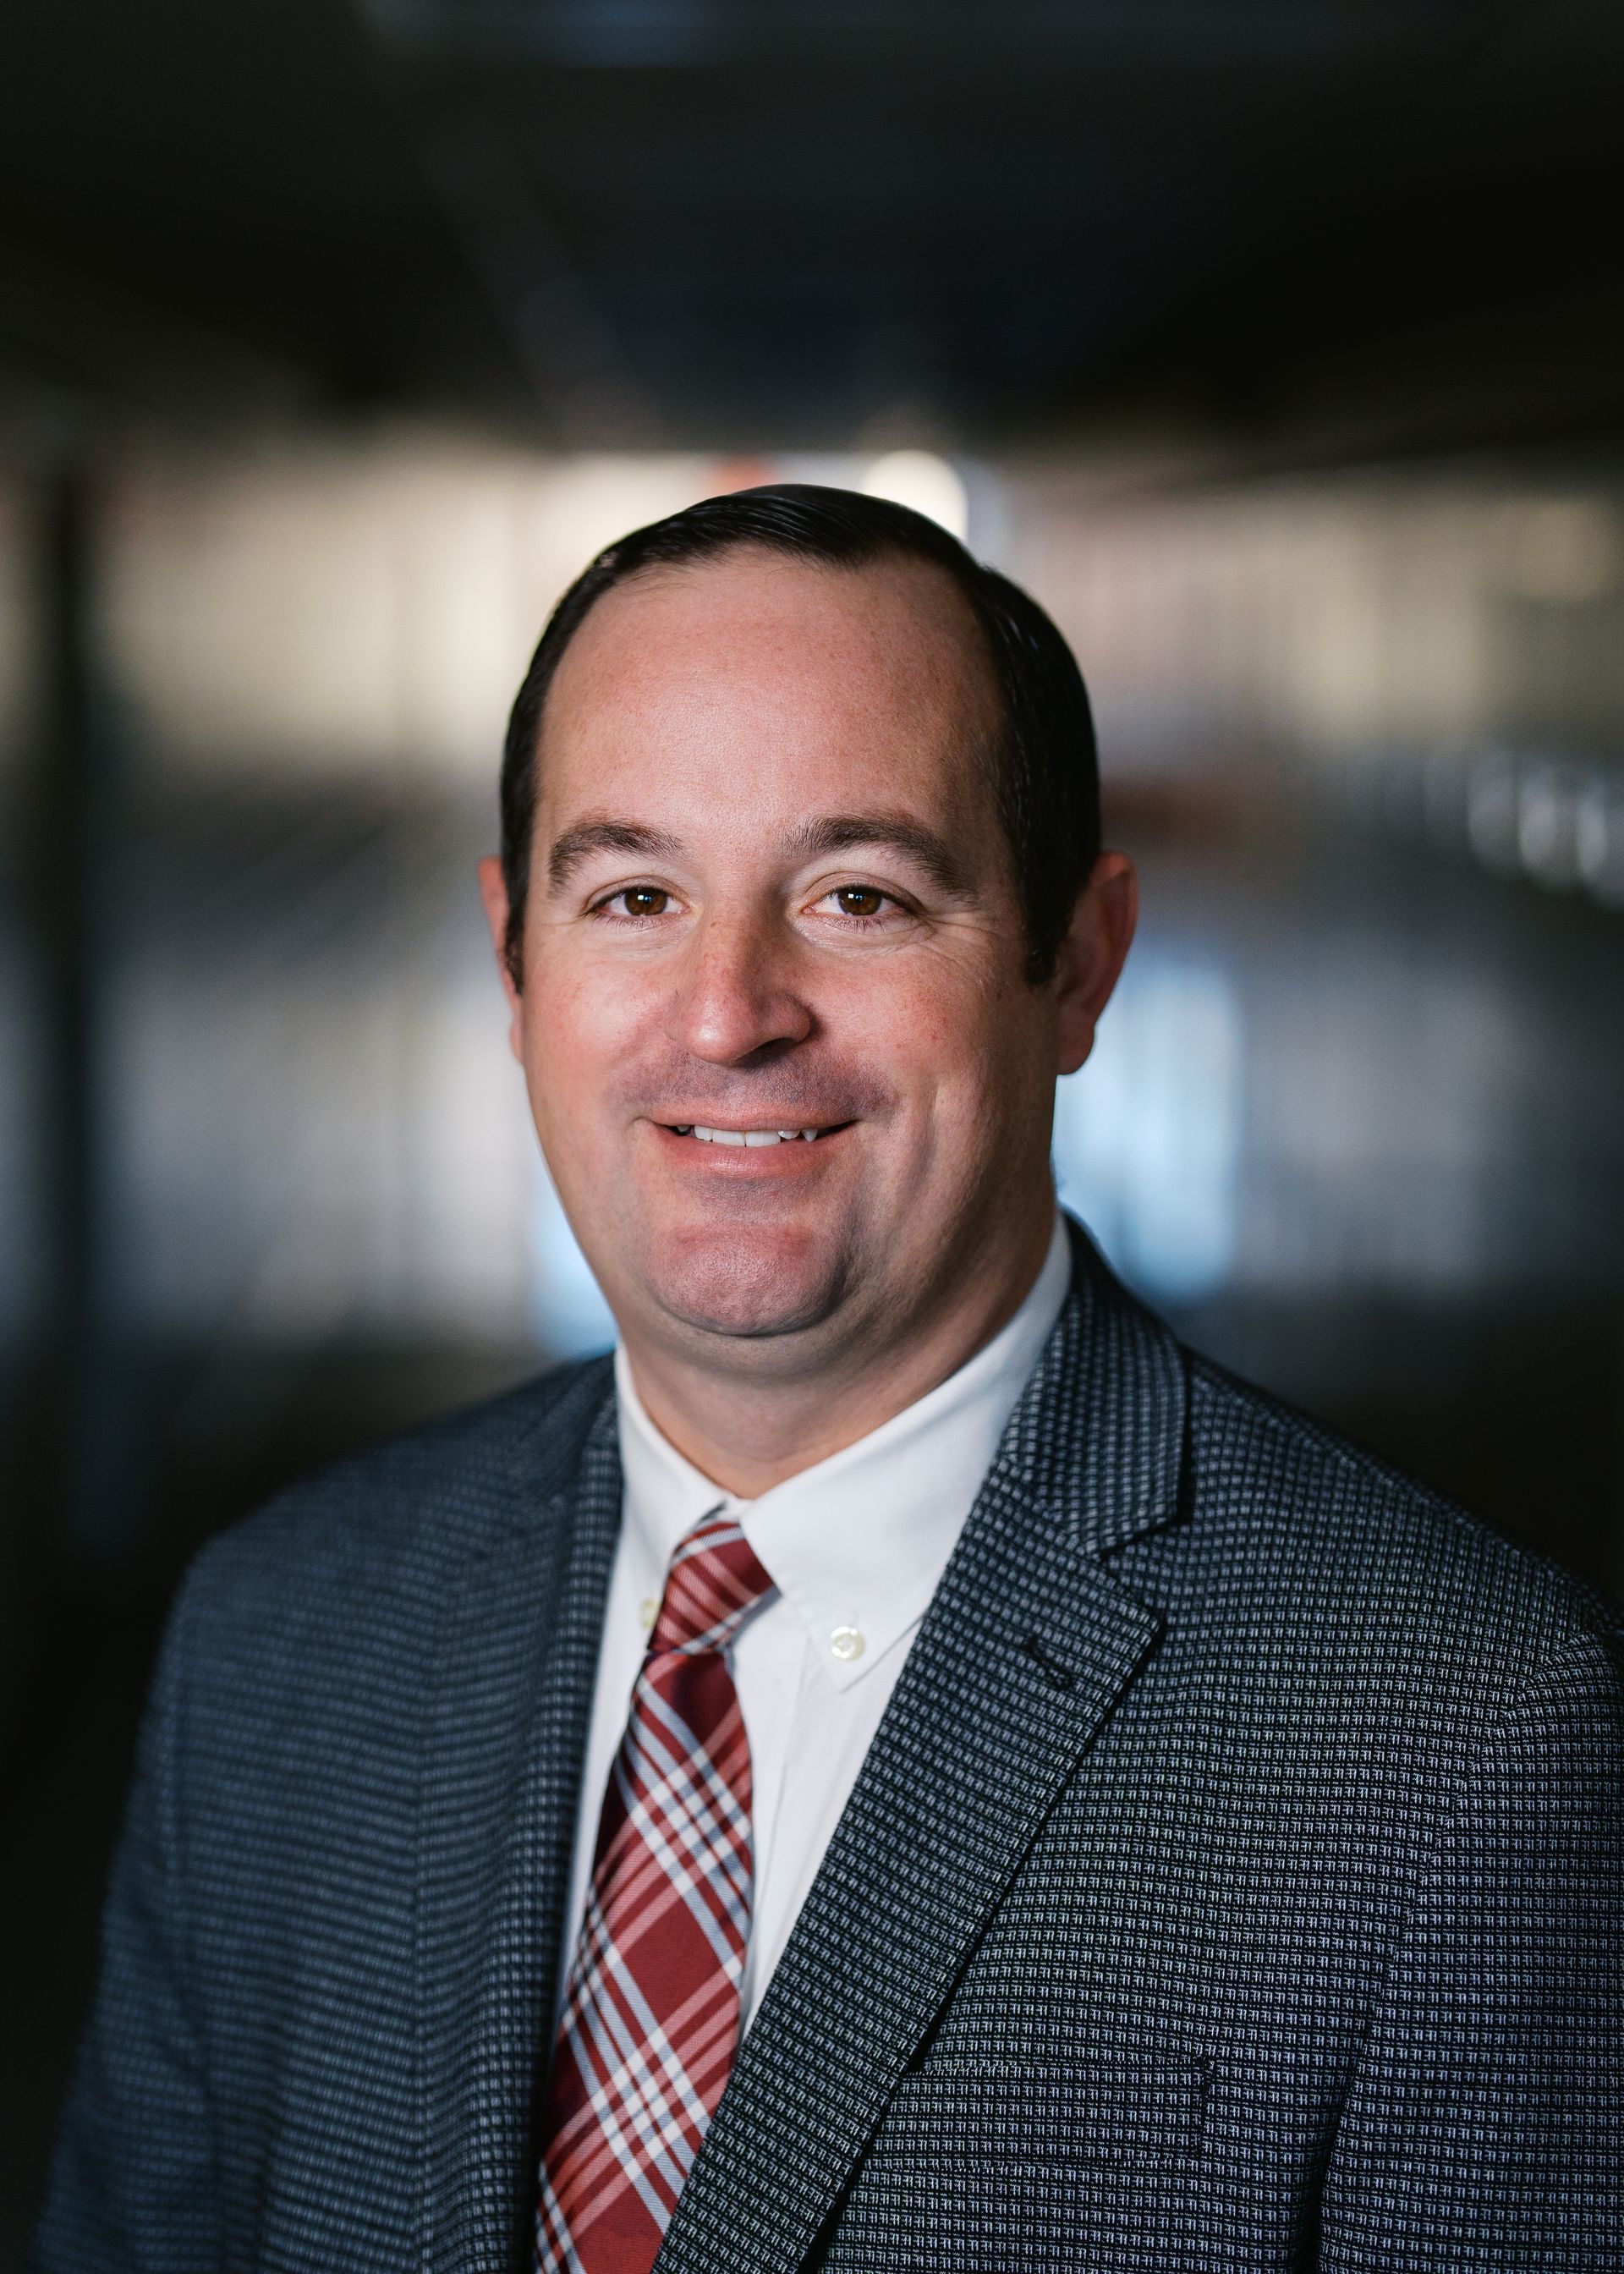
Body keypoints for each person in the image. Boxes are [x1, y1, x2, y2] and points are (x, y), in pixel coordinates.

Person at [38, 486, 1623, 2273]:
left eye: (859, 896)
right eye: (633, 895)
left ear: (1078, 962)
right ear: (512, 958)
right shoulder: (279, 1641)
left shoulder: (1460, 1745)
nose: (727, 1013)